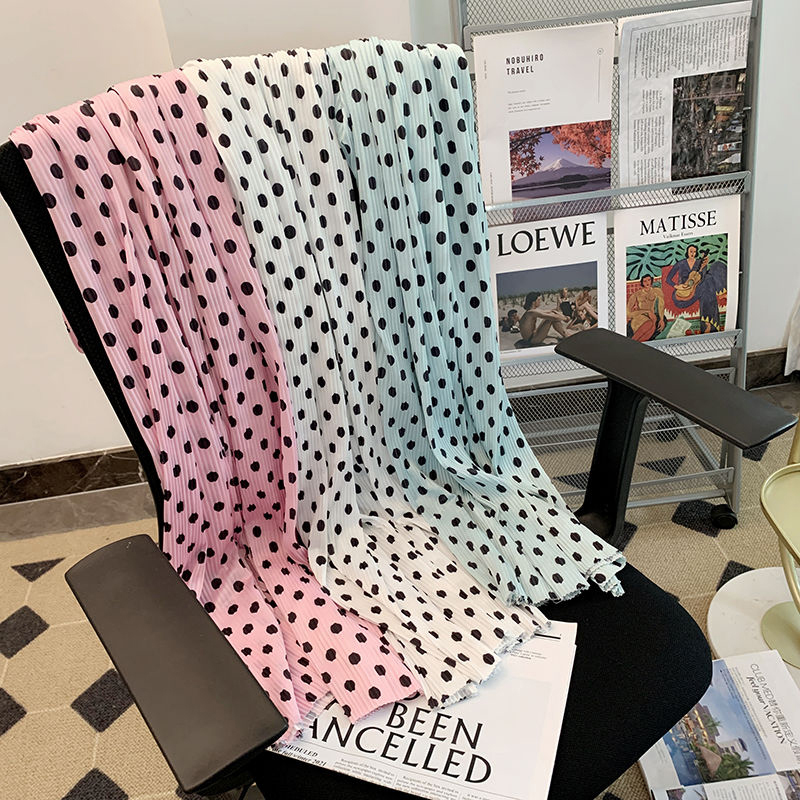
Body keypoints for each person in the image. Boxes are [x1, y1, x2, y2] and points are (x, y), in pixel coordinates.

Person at [664, 244, 727, 333]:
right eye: (691, 251)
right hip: (682, 294)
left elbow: (702, 278)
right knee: (707, 284)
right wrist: (677, 286)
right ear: (687, 252)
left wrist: (703, 267)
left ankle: (707, 324)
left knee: (717, 266)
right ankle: (709, 322)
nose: (692, 253)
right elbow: (668, 279)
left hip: (697, 289)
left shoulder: (699, 262)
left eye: (694, 252)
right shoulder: (681, 263)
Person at [626, 274, 665, 341]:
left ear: (651, 280)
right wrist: (646, 312)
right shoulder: (636, 294)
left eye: (649, 280)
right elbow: (628, 313)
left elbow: (661, 305)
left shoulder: (657, 291)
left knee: (653, 325)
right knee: (649, 324)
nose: (647, 283)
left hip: (652, 316)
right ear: (642, 282)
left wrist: (661, 319)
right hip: (640, 316)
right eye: (645, 281)